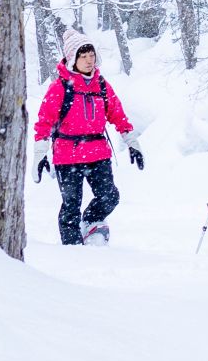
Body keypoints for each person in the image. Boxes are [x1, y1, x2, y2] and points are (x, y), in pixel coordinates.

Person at [32, 31, 141, 246]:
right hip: (67, 156)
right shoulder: (60, 87)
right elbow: (44, 122)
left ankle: (90, 221)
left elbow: (118, 115)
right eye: (84, 56)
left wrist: (132, 144)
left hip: (97, 154)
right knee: (71, 205)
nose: (89, 60)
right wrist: (39, 154)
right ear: (73, 59)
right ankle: (72, 250)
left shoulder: (101, 85)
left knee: (110, 197)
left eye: (92, 55)